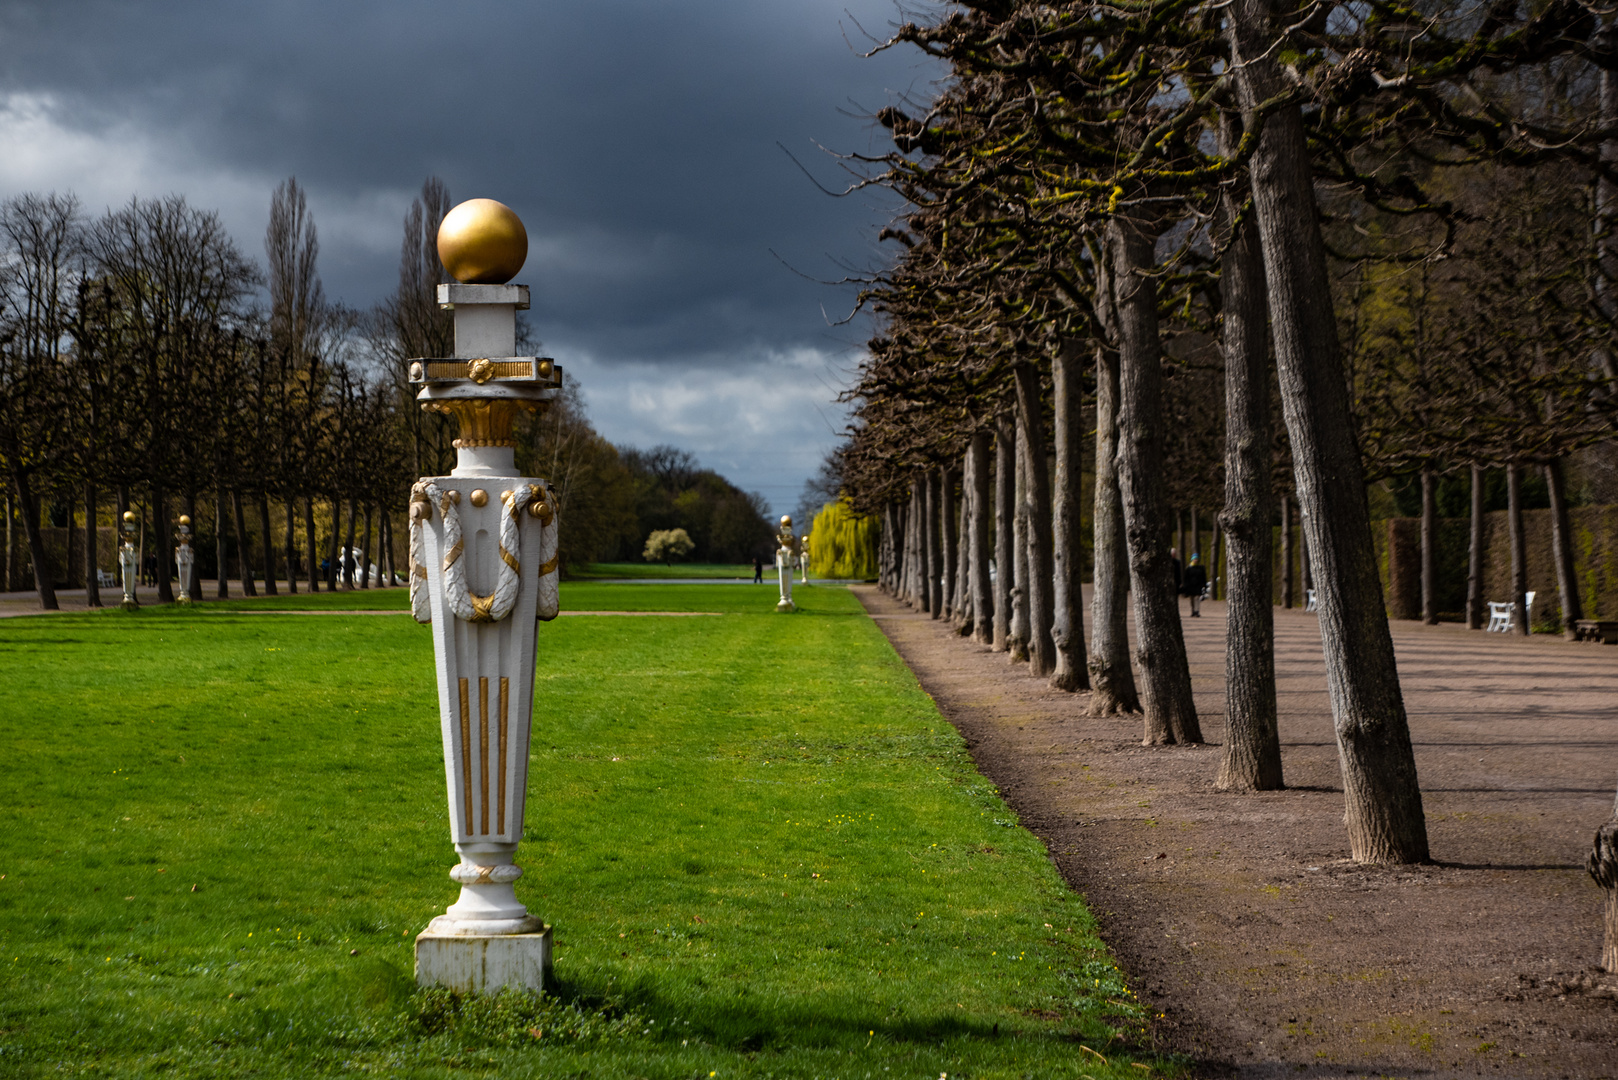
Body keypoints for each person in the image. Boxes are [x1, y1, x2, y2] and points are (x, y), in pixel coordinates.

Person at [1182, 551, 1207, 617]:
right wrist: (1186, 586)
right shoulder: (1188, 569)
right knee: (1192, 599)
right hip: (1191, 586)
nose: (1196, 560)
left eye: (1197, 559)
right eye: (1195, 559)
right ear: (1192, 559)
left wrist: (1204, 585)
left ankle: (1197, 611)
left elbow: (1203, 577)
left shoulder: (1201, 568)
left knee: (1197, 599)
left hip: (1198, 586)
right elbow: (1186, 578)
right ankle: (1193, 610)